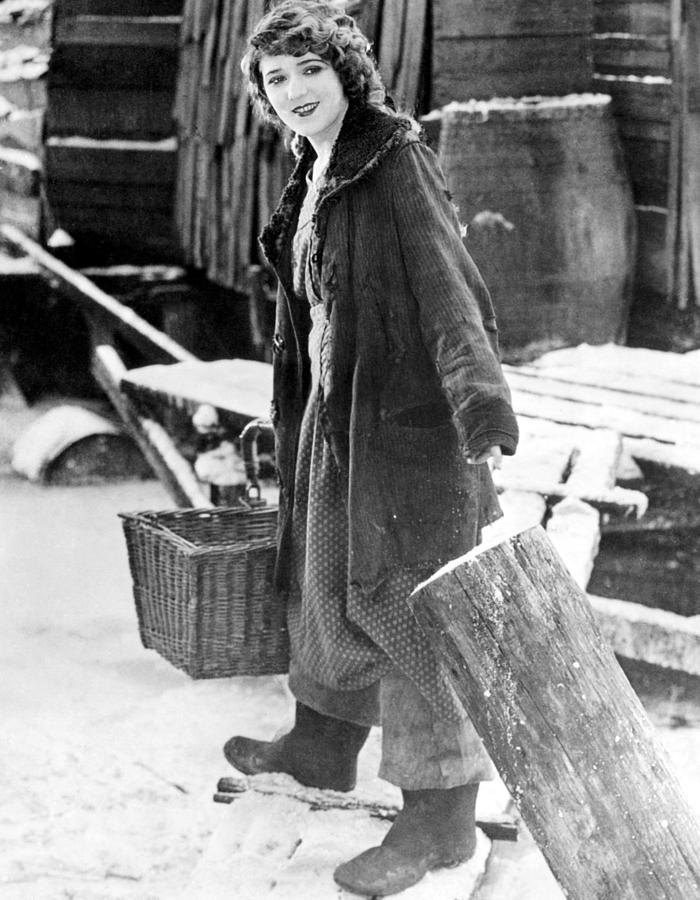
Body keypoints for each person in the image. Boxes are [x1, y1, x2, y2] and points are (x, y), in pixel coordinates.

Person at [225, 2, 519, 895]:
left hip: (402, 432)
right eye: (277, 80)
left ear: (346, 71)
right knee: (320, 580)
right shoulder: (311, 172)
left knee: (406, 615)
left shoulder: (394, 161)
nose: (296, 92)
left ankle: (439, 820)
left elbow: (450, 290)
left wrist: (481, 406)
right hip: (331, 416)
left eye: (310, 69)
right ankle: (322, 744)